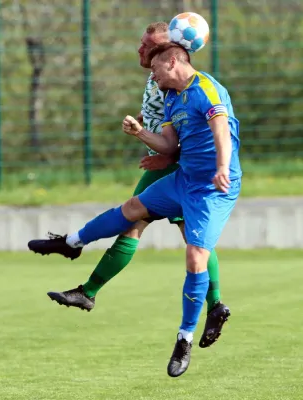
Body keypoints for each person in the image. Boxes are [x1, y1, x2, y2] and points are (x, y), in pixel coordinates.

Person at [29, 41, 241, 378]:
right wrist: (141, 132)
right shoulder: (172, 98)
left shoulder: (207, 89)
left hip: (211, 190)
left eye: (155, 67)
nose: (151, 74)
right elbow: (170, 146)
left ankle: (184, 338)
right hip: (183, 178)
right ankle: (71, 243)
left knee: (195, 255)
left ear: (173, 61)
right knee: (132, 209)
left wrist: (222, 167)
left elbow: (221, 130)